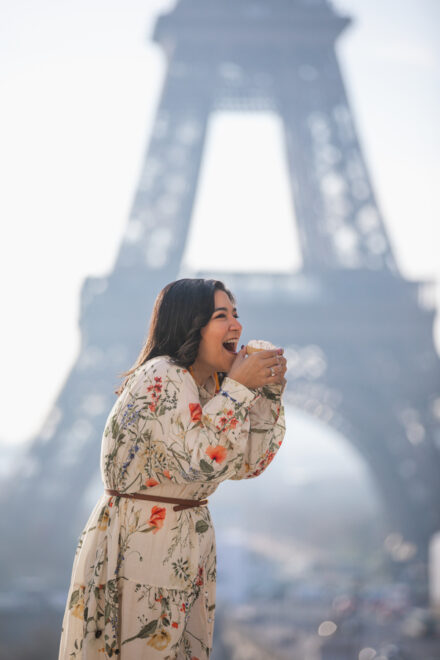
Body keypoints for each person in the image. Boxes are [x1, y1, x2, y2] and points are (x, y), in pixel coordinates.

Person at [58, 278, 287, 659]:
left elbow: (249, 463)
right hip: (145, 545)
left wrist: (264, 393)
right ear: (190, 323)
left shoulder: (208, 388)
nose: (236, 325)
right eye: (221, 315)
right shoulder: (163, 374)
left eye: (236, 314)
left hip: (184, 546)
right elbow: (198, 461)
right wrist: (239, 390)